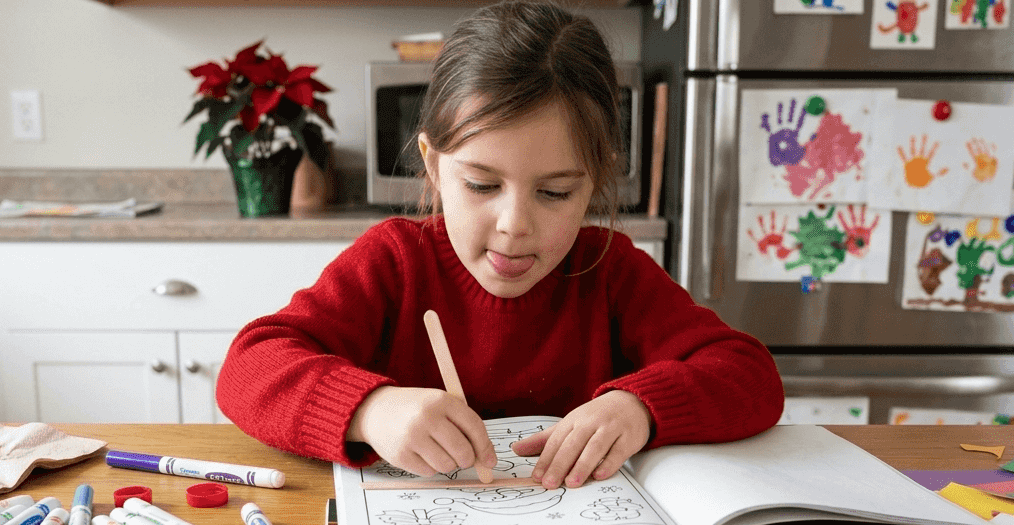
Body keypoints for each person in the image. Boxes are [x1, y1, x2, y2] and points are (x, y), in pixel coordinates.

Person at [216, 0, 783, 490]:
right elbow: (247, 369)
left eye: (556, 192)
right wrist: (369, 409)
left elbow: (749, 374)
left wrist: (640, 408)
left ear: (595, 183)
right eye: (482, 185)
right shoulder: (395, 261)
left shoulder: (610, 271)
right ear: (435, 167)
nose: (514, 224)